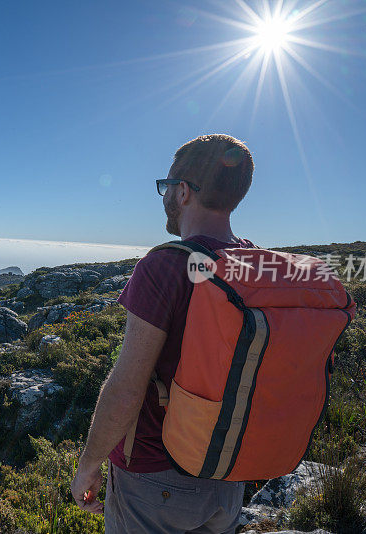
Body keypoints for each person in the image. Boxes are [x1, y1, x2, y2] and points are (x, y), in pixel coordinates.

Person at [70, 134, 257, 533]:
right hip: (228, 475)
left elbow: (127, 385)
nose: (164, 197)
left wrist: (88, 465)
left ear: (184, 192)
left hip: (157, 481)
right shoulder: (252, 262)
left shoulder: (165, 266)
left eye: (166, 187)